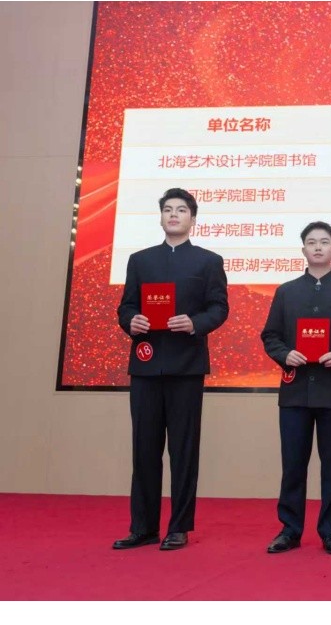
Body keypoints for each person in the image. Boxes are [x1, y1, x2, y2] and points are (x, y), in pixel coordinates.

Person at [113, 188, 229, 551]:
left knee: (183, 450)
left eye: (181, 210)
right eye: (168, 209)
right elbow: (126, 307)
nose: (174, 214)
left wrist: (194, 323)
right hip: (146, 365)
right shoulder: (140, 260)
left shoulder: (208, 261)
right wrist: (132, 321)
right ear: (161, 217)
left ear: (193, 219)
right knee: (144, 450)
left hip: (186, 367)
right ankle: (143, 527)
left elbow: (219, 308)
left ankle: (178, 527)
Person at [261, 221, 331, 556]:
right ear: (303, 250)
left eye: (325, 242)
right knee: (293, 465)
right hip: (295, 391)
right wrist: (285, 354)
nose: (318, 247)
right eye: (312, 242)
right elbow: (270, 336)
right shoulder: (286, 292)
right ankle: (290, 530)